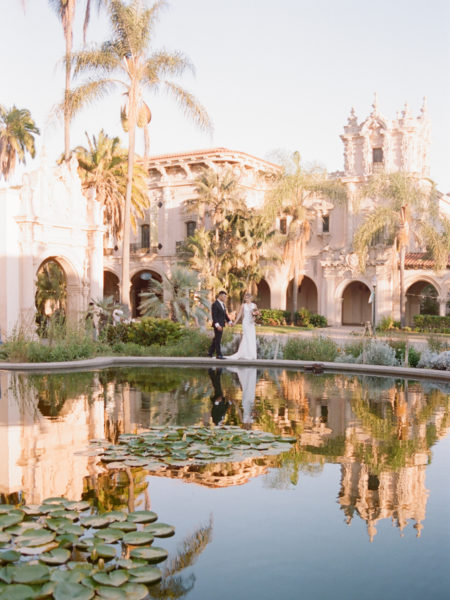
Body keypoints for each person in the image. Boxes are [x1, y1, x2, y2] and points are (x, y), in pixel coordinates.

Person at [225, 292, 260, 360]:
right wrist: (234, 322)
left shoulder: (254, 305)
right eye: (245, 297)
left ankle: (251, 354)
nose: (246, 299)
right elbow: (239, 314)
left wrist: (254, 319)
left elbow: (257, 314)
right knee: (246, 337)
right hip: (246, 323)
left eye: (247, 297)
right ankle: (244, 353)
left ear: (250, 298)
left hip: (251, 323)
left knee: (251, 337)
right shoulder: (243, 305)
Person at [208, 290, 232, 359]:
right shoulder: (215, 304)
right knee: (218, 340)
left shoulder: (223, 304)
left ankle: (210, 352)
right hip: (218, 325)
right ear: (220, 296)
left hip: (222, 324)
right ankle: (218, 355)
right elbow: (214, 316)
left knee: (216, 339)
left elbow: (225, 315)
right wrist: (217, 325)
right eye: (224, 297)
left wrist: (229, 322)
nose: (225, 298)